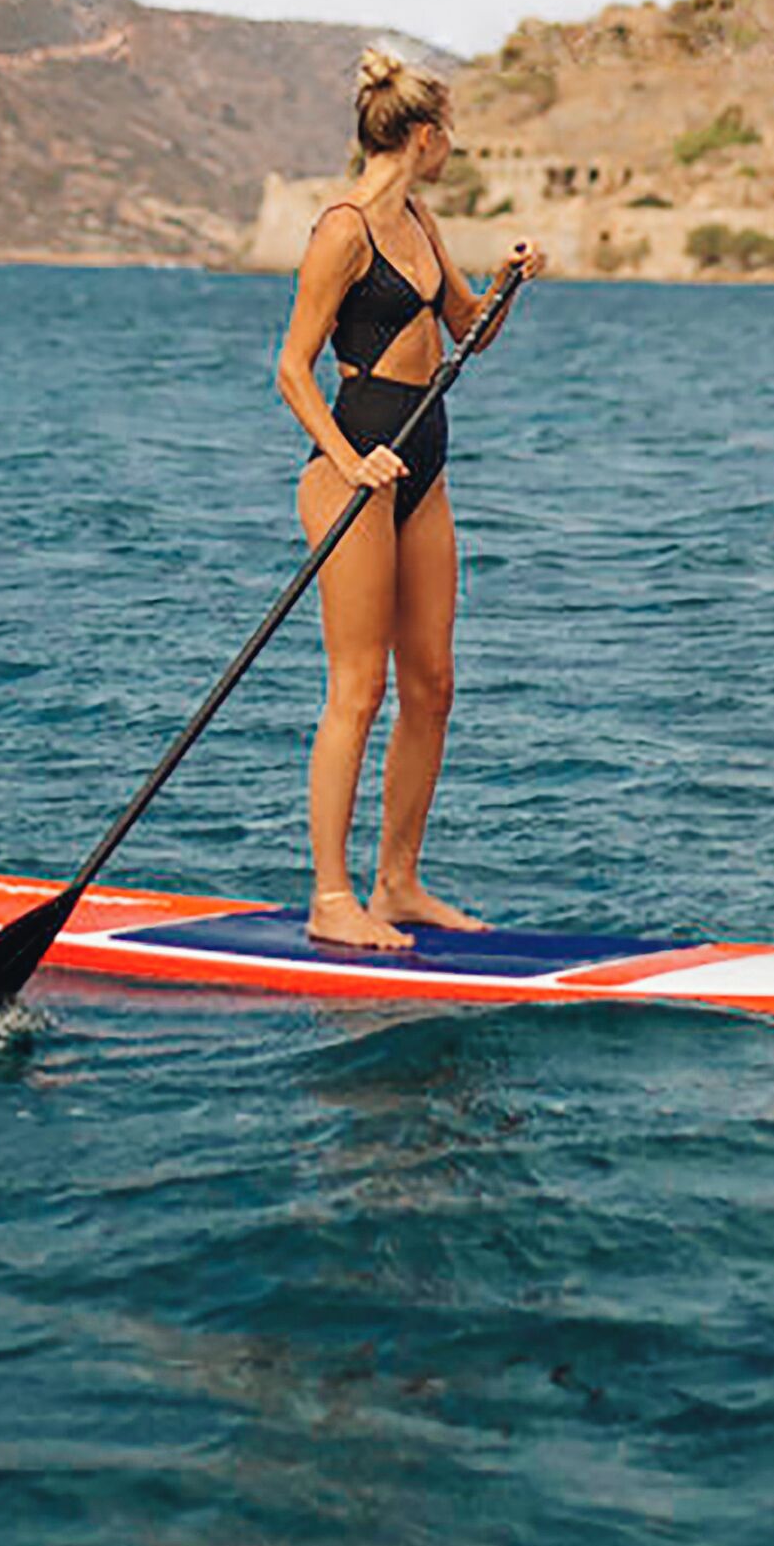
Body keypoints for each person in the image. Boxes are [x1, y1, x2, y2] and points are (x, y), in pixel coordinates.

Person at [273, 46, 544, 949]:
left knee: (431, 685)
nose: (452, 147)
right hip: (354, 468)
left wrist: (507, 283)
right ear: (424, 135)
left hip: (424, 462)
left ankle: (398, 884)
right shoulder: (342, 230)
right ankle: (331, 898)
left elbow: (468, 331)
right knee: (359, 687)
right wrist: (350, 462)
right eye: (449, 133)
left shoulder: (420, 219)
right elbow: (292, 369)